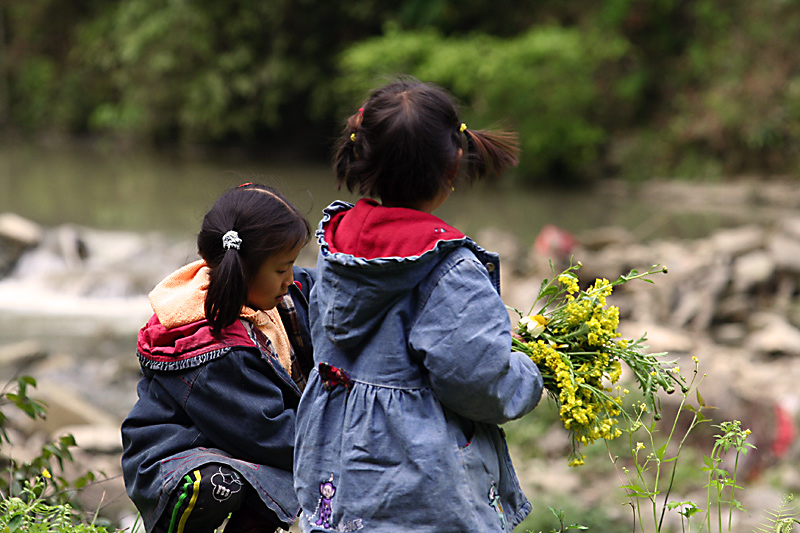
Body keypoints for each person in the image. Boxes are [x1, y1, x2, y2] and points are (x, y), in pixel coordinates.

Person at [293, 77, 544, 532]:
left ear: (362, 157)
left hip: (336, 473)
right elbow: (478, 380)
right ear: (454, 166)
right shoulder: (448, 268)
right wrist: (527, 371)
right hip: (419, 489)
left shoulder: (336, 246)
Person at [121, 183, 315, 533]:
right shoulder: (215, 348)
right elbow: (267, 433)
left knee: (270, 481)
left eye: (292, 266)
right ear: (243, 269)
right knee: (217, 486)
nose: (291, 279)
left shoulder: (268, 293)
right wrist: (339, 439)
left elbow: (320, 288)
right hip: (179, 456)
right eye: (282, 269)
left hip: (236, 440)